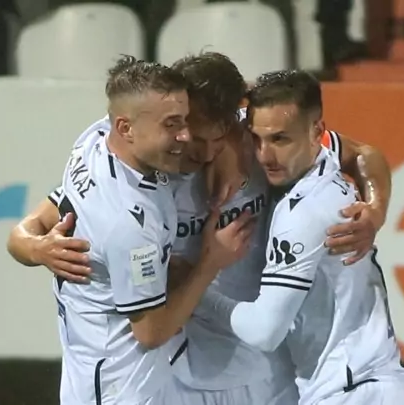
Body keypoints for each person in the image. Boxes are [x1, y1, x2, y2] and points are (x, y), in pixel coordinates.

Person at [7, 53, 394, 405]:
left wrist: (375, 211)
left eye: (218, 139)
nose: (206, 152)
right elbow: (36, 223)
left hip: (269, 368)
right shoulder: (145, 171)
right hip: (181, 370)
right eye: (194, 137)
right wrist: (35, 247)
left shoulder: (257, 143)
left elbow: (364, 155)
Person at [197, 69, 404, 405]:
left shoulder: (303, 212)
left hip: (352, 391)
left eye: (280, 140)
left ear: (317, 132)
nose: (264, 155)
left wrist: (194, 290)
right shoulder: (311, 164)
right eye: (256, 139)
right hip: (367, 383)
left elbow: (264, 330)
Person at [40, 55, 254, 405]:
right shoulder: (130, 224)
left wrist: (31, 246)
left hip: (101, 370)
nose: (184, 137)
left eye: (184, 122)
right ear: (126, 128)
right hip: (123, 387)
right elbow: (151, 332)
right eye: (173, 125)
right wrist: (210, 262)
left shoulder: (96, 141)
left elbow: (36, 222)